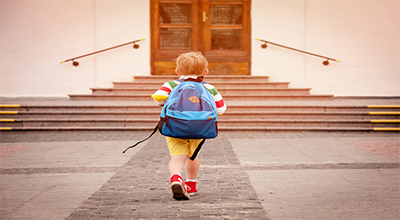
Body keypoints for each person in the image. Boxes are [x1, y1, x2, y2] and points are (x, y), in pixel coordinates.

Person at [151, 52, 227, 200]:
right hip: (199, 127)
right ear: (205, 72)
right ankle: (191, 185)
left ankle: (176, 179)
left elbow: (158, 99)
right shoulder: (209, 87)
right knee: (193, 156)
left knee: (177, 158)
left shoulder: (171, 84)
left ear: (177, 71)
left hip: (174, 126)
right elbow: (221, 110)